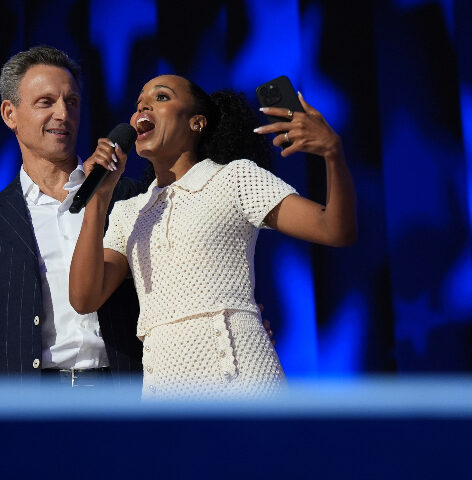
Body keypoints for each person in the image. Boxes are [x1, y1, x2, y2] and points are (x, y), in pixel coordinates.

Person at [69, 75, 357, 399]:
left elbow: (335, 229)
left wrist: (333, 153)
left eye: (162, 97)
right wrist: (98, 201)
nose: (143, 107)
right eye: (138, 104)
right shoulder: (128, 212)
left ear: (197, 123)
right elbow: (84, 298)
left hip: (243, 384)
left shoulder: (234, 178)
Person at [0, 46, 145, 385]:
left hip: (120, 394)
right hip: (28, 405)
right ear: (10, 114)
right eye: (45, 102)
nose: (62, 115)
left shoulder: (127, 197)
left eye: (71, 102)